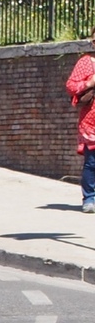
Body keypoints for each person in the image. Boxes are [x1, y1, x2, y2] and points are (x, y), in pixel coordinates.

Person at [65, 27, 95, 213]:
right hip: (91, 123)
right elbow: (71, 86)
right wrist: (89, 83)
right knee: (92, 163)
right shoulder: (86, 62)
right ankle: (90, 198)